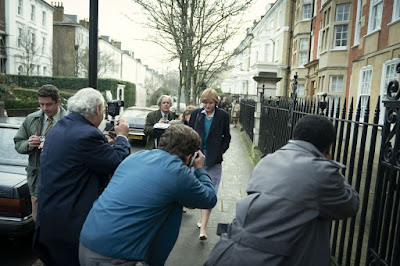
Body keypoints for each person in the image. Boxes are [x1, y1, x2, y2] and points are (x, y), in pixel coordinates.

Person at [204, 115, 360, 266]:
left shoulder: (267, 160)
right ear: (327, 147)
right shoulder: (321, 172)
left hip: (232, 252)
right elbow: (351, 203)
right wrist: (327, 163)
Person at [79, 124, 217, 266]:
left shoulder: (136, 157)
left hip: (87, 245)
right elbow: (209, 199)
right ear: (190, 156)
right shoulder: (177, 172)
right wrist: (200, 169)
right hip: (118, 256)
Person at [33, 88, 131, 266]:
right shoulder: (87, 135)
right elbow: (117, 162)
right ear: (98, 110)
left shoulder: (60, 127)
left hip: (51, 218)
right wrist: (122, 137)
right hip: (71, 224)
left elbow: (79, 155)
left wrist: (105, 144)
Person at [13, 84, 67, 222]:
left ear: (58, 102)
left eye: (48, 104)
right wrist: (28, 145)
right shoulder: (31, 119)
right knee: (39, 223)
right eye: (41, 104)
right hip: (37, 183)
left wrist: (54, 146)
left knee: (60, 224)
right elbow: (18, 144)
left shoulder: (69, 121)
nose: (44, 109)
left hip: (62, 184)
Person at [188, 88, 231, 240]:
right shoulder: (195, 114)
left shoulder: (223, 116)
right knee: (197, 188)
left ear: (216, 102)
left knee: (210, 190)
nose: (207, 106)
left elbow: (227, 137)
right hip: (197, 156)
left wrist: (220, 152)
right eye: (205, 103)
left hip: (214, 158)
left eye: (210, 103)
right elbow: (190, 133)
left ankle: (203, 229)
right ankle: (201, 218)